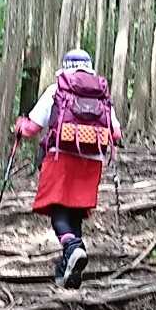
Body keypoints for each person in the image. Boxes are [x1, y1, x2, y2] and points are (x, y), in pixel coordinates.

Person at [14, 48, 122, 289]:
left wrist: (20, 125)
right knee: (76, 212)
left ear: (65, 68)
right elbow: (115, 133)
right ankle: (69, 271)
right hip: (92, 160)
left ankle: (72, 248)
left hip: (61, 156)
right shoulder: (102, 95)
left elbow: (31, 128)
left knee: (58, 210)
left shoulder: (57, 90)